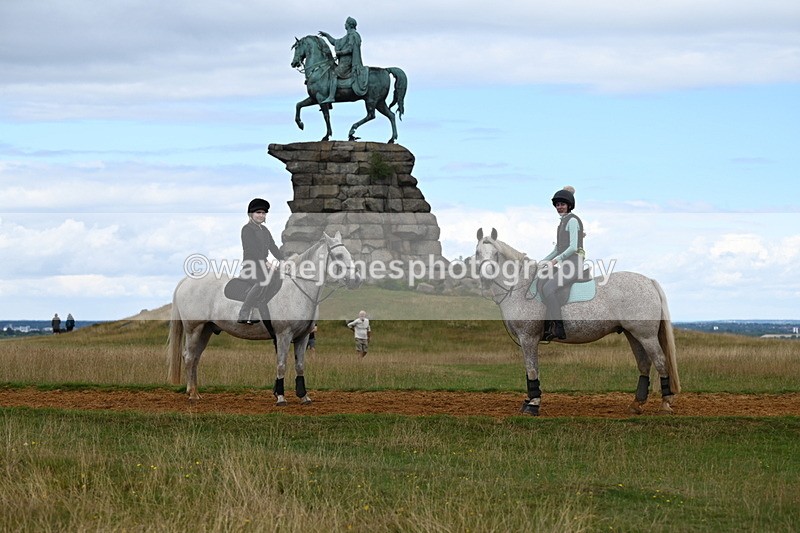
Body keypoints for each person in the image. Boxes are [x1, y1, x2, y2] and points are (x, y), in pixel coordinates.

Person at [540, 186, 586, 341]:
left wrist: (555, 261)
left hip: (574, 263)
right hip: (566, 263)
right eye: (557, 204)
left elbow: (572, 247)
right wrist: (541, 262)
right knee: (541, 281)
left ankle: (560, 328)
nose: (559, 207)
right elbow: (557, 249)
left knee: (548, 288)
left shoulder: (572, 221)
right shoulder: (562, 223)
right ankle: (547, 327)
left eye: (562, 204)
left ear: (569, 205)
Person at [238, 198, 285, 325]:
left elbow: (273, 247)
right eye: (258, 212)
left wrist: (284, 260)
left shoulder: (265, 230)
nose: (261, 215)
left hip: (263, 266)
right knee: (263, 281)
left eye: (263, 213)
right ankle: (244, 312)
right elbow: (251, 250)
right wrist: (265, 262)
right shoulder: (246, 229)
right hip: (251, 266)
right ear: (251, 214)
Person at [318, 16, 369, 102]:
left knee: (333, 74)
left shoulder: (353, 35)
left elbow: (350, 49)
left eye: (346, 23)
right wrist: (327, 35)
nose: (344, 24)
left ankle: (331, 97)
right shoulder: (347, 36)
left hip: (348, 63)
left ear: (349, 25)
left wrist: (339, 53)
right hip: (343, 62)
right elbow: (335, 42)